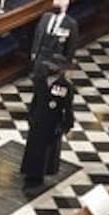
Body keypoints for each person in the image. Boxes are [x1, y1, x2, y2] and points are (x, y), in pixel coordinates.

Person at [20, 59, 74, 191]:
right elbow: (36, 99)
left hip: (52, 122)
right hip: (38, 119)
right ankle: (29, 171)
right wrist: (31, 116)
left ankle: (38, 176)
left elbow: (67, 107)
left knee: (45, 151)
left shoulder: (63, 86)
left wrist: (65, 125)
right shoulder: (40, 81)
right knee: (32, 147)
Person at [30, 0, 79, 87]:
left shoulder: (71, 24)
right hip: (42, 54)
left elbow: (72, 45)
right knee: (37, 80)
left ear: (65, 7)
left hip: (57, 57)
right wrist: (34, 51)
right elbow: (38, 35)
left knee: (52, 83)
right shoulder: (46, 17)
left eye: (58, 6)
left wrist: (67, 64)